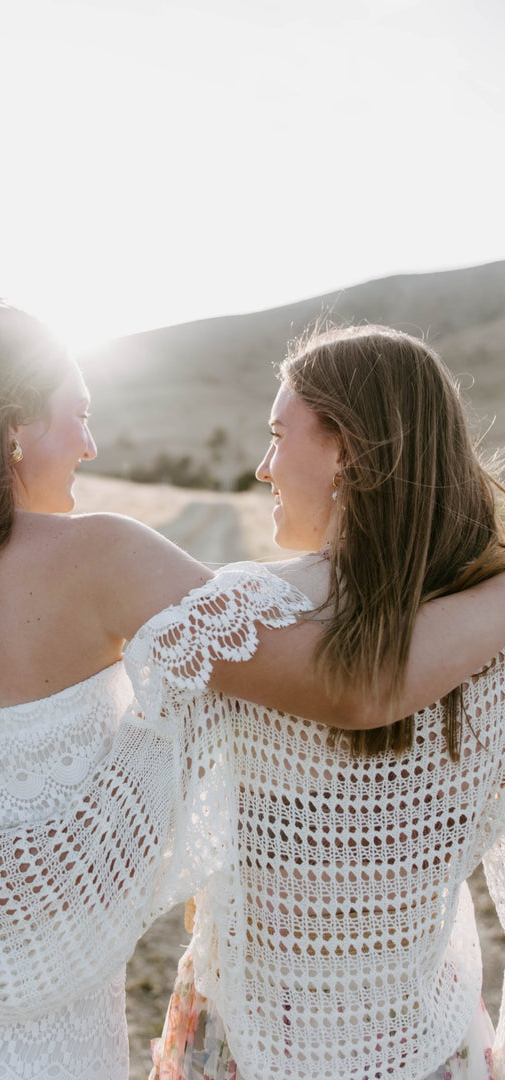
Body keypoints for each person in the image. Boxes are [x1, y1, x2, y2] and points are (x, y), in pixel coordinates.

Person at [0, 301, 503, 1080]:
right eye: (79, 415)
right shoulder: (101, 558)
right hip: (39, 1057)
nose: (91, 444)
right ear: (11, 427)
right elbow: (350, 685)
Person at [147, 325, 505, 1080]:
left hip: (250, 1038)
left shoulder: (251, 613)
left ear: (347, 452)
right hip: (426, 1043)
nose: (263, 465)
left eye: (280, 436)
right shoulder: (487, 634)